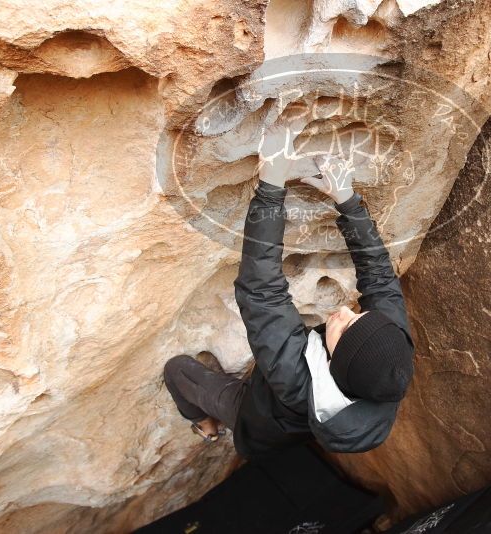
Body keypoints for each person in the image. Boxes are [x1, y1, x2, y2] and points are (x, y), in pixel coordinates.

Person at [163, 116, 415, 458]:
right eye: (359, 316)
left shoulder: (296, 378)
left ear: (334, 365)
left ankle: (206, 423)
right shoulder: (389, 352)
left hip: (254, 417)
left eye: (344, 328)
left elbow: (260, 291)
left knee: (177, 370)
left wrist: (271, 185)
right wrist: (348, 202)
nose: (343, 312)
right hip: (297, 420)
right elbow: (381, 280)